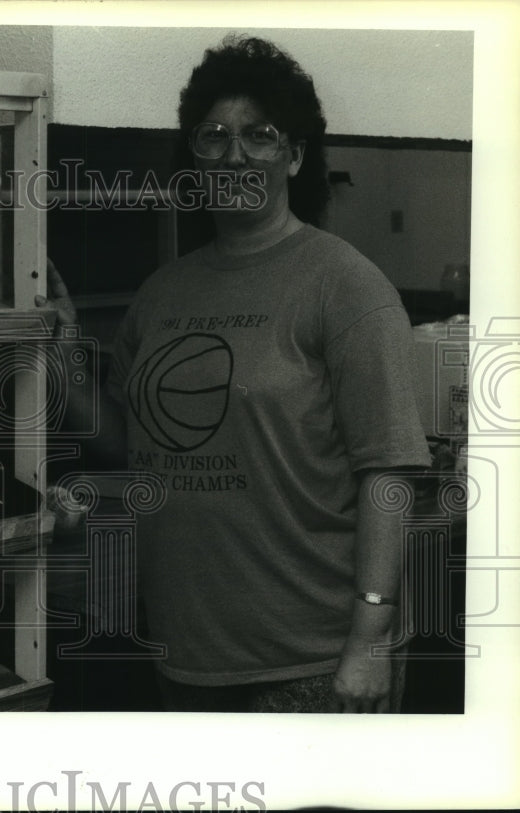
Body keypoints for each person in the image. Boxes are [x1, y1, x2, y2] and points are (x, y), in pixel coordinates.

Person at [39, 35, 431, 712]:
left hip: (310, 658)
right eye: (213, 135)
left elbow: (387, 473)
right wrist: (62, 360)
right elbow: (135, 443)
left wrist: (370, 636)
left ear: (295, 154)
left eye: (261, 134)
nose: (235, 153)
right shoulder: (163, 293)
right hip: (185, 651)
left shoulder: (345, 286)